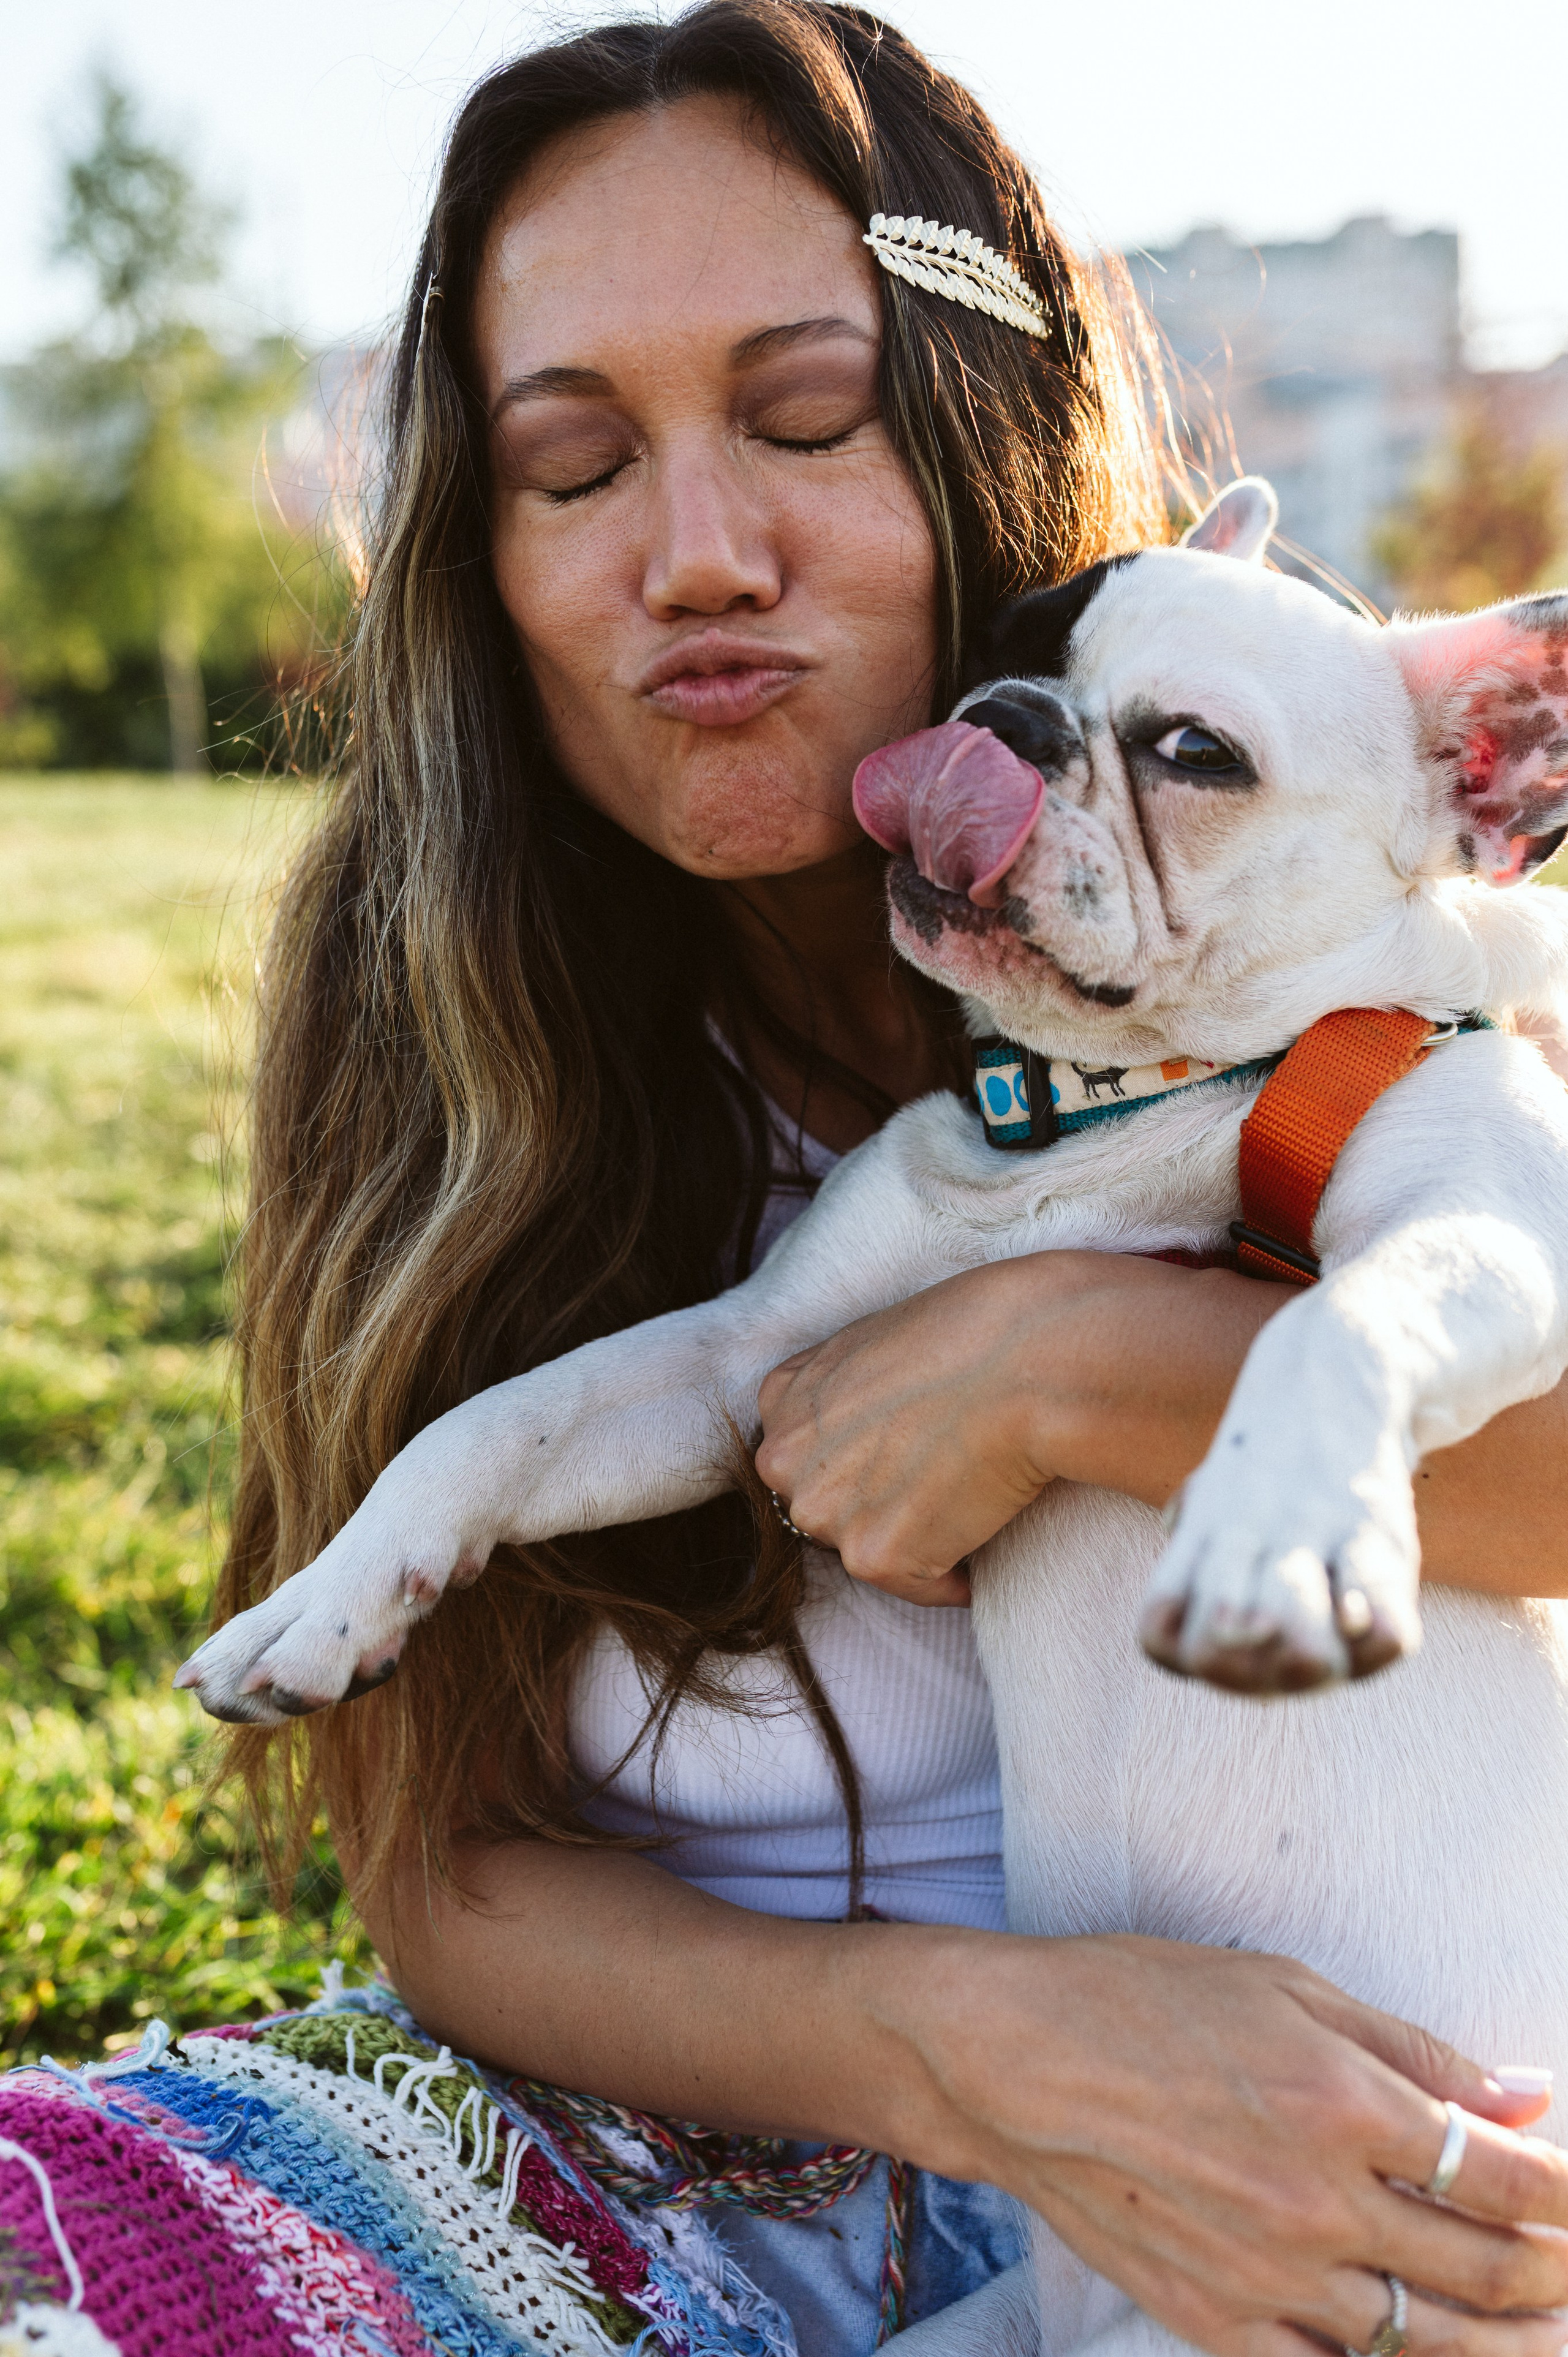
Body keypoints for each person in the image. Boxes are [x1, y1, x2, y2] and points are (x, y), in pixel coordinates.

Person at [217, 4, 1568, 2348]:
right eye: (567, 464)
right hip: (704, 2144)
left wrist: (1072, 1360)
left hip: (1393, 2161)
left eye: (805, 414)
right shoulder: (432, 1024)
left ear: (979, 427)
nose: (698, 554)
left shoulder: (1375, 967)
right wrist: (1003, 2059)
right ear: (482, 555)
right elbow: (434, 1873)